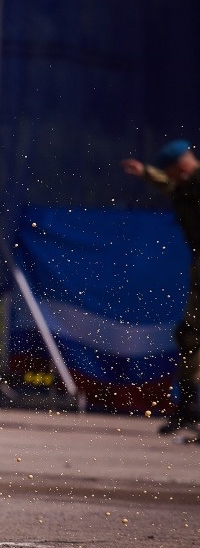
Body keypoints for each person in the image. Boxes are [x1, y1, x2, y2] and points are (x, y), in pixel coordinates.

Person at [122, 139, 200, 435]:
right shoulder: (188, 185)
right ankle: (189, 410)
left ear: (181, 166)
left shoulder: (194, 183)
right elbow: (173, 187)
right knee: (189, 337)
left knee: (191, 336)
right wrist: (146, 173)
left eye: (172, 171)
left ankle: (190, 410)